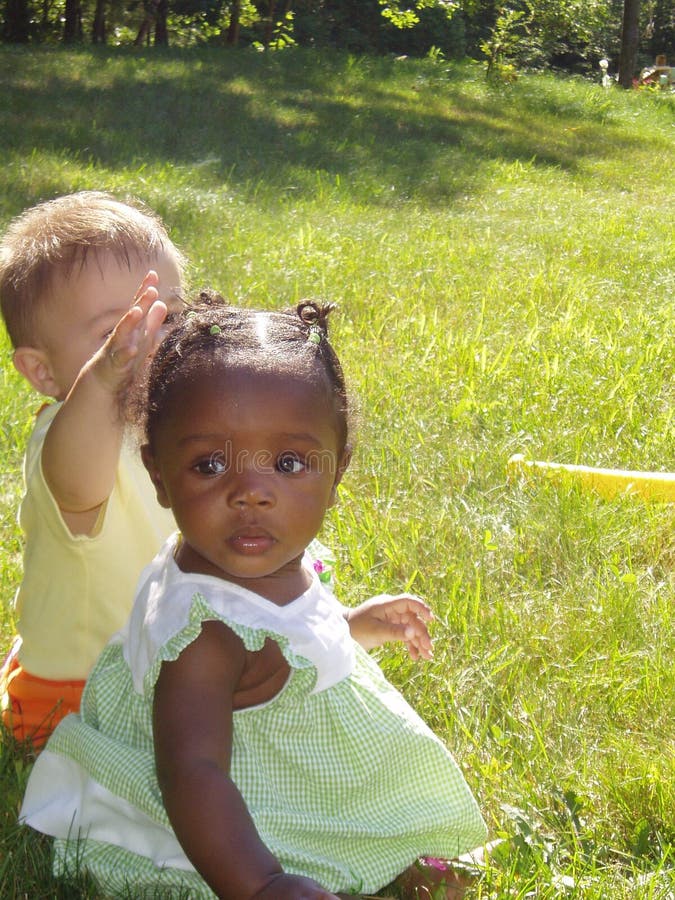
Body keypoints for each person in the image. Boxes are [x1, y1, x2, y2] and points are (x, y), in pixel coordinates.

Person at [21, 296, 488, 899]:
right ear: (159, 474)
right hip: (244, 809)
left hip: (281, 763)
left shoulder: (242, 561)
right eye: (210, 464)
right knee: (325, 852)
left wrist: (350, 623)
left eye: (289, 462)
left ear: (337, 470)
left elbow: (288, 633)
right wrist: (261, 882)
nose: (250, 492)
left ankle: (389, 850)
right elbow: (193, 773)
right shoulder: (207, 638)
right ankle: (329, 860)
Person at [0, 190, 185, 747]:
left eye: (168, 318)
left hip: (167, 670)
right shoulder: (68, 439)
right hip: (78, 700)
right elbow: (78, 487)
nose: (150, 345)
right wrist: (105, 378)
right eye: (113, 336)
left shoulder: (171, 421)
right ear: (43, 371)